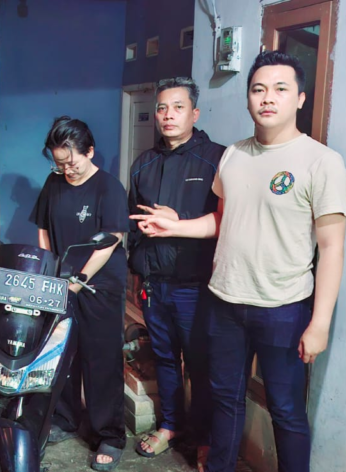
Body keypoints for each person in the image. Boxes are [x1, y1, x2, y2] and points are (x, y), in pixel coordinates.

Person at [132, 51, 346, 472]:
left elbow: (332, 248)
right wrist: (175, 226)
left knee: (286, 410)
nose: (267, 98)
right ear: (248, 98)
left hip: (282, 306)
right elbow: (221, 219)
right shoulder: (233, 155)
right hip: (224, 302)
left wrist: (319, 323)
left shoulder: (321, 161)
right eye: (258, 89)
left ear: (300, 98)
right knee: (225, 401)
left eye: (280, 89)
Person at [127, 77, 225, 461]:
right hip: (155, 284)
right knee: (165, 359)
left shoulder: (216, 159)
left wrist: (178, 221)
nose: (168, 115)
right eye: (162, 108)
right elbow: (133, 224)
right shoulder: (144, 164)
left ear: (194, 113)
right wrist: (138, 273)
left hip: (197, 286)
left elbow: (227, 221)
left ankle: (204, 437)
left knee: (201, 364)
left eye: (178, 107)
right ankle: (171, 424)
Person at [32, 116, 128, 471]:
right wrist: (50, 268)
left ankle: (109, 434)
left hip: (99, 285)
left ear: (90, 151)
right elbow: (43, 227)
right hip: (61, 281)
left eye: (72, 162)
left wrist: (79, 279)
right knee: (63, 354)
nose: (66, 170)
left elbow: (112, 238)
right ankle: (66, 418)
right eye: (59, 164)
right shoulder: (54, 182)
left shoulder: (108, 187)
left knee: (100, 359)